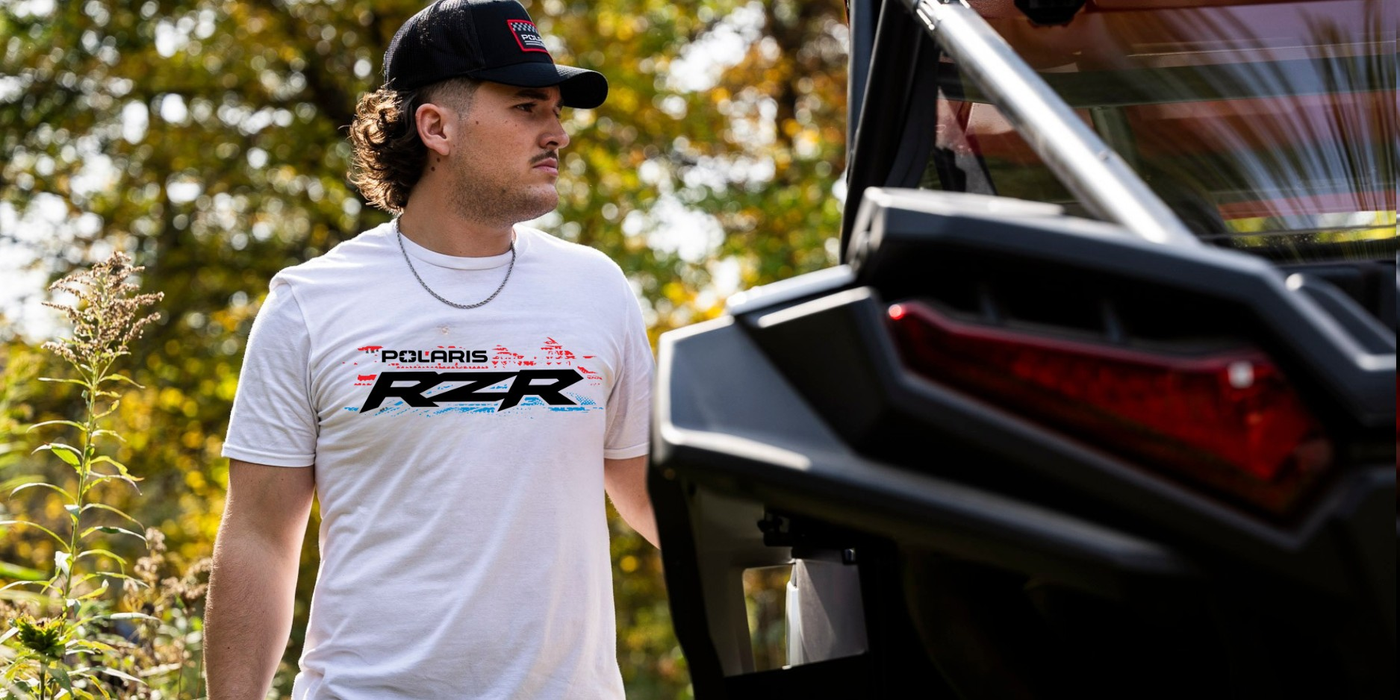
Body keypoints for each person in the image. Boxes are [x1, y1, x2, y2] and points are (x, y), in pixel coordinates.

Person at [203, 1, 656, 697]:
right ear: (436, 126)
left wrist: (813, 532)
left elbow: (653, 493)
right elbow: (261, 537)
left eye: (557, 111)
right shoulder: (310, 304)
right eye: (528, 108)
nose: (558, 133)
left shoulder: (596, 289)